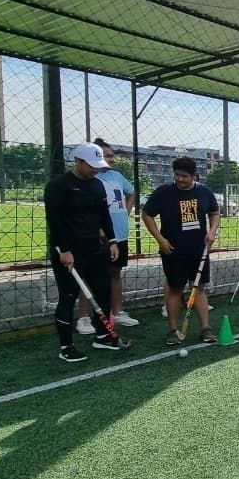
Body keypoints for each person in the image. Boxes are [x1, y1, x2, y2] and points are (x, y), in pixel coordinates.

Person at [44, 143, 132, 362]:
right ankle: (66, 347)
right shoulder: (58, 186)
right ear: (78, 162)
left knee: (103, 292)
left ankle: (102, 337)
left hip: (95, 249)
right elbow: (54, 222)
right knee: (68, 297)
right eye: (91, 165)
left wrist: (112, 241)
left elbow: (104, 215)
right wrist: (63, 250)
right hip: (68, 252)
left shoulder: (97, 185)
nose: (95, 169)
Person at [142, 156, 220, 344]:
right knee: (175, 288)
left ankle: (206, 329)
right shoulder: (163, 193)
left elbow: (215, 213)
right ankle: (172, 330)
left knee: (199, 288)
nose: (179, 179)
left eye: (184, 176)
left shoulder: (204, 192)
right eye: (177, 175)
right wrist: (160, 239)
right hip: (173, 250)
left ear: (194, 175)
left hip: (198, 250)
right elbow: (146, 214)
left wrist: (211, 231)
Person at [76, 138, 138, 334]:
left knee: (115, 273)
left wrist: (126, 212)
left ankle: (117, 312)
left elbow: (131, 193)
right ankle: (85, 317)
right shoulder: (90, 180)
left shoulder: (117, 176)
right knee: (89, 276)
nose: (111, 159)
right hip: (97, 239)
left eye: (112, 155)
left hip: (119, 236)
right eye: (106, 155)